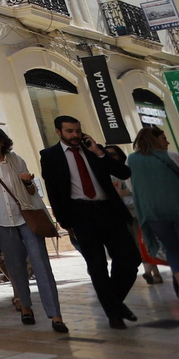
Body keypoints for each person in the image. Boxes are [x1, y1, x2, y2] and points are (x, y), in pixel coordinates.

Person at [39, 116, 139, 328]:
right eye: (69, 131)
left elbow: (124, 172)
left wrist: (100, 153)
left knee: (130, 260)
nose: (75, 135)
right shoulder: (50, 156)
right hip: (80, 214)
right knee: (97, 266)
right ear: (58, 132)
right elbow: (53, 191)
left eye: (77, 130)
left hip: (109, 212)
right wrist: (64, 221)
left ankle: (114, 303)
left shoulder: (94, 150)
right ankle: (114, 314)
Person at [0, 125, 66, 332]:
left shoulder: (16, 160)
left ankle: (56, 314)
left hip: (26, 218)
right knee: (15, 267)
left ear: (2, 141)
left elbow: (33, 191)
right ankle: (25, 307)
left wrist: (26, 183)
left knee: (41, 264)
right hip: (0, 220)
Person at [127, 125, 179, 306]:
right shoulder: (171, 156)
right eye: (164, 138)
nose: (167, 141)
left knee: (172, 249)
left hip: (152, 214)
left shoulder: (131, 160)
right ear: (155, 140)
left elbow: (131, 185)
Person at [107, 143, 164, 286]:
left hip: (137, 212)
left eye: (112, 154)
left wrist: (126, 192)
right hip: (121, 214)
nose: (110, 157)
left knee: (144, 242)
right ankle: (150, 272)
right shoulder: (105, 172)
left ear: (119, 155)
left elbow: (141, 188)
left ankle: (152, 272)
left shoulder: (128, 169)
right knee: (135, 244)